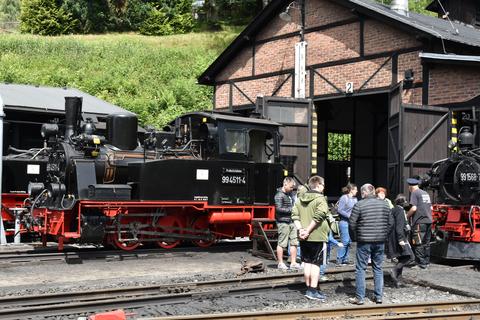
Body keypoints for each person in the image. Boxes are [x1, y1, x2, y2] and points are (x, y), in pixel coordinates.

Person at [292, 176, 338, 300]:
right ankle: (313, 290)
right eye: (323, 185)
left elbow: (294, 216)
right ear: (318, 185)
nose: (324, 188)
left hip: (303, 237)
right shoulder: (321, 199)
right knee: (316, 264)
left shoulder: (300, 198)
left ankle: (308, 288)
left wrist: (301, 230)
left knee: (306, 262)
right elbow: (319, 216)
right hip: (317, 237)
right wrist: (307, 230)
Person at [348, 184, 391, 305]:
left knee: (361, 268)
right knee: (378, 267)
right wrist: (384, 235)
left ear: (363, 193)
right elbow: (391, 223)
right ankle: (378, 296)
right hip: (380, 241)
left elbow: (352, 224)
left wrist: (355, 237)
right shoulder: (385, 204)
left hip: (364, 241)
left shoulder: (359, 204)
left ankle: (360, 298)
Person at [386, 194, 415, 287]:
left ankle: (398, 280)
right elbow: (399, 226)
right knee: (410, 257)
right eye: (405, 201)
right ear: (403, 202)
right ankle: (394, 270)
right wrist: (401, 239)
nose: (406, 203)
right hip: (399, 237)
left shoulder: (394, 209)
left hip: (393, 237)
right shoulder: (400, 210)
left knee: (402, 257)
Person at [274, 177, 301, 270]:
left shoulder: (290, 194)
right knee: (282, 243)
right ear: (285, 185)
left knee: (294, 242)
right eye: (291, 187)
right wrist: (292, 210)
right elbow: (279, 209)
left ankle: (293, 263)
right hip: (283, 222)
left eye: (293, 187)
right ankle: (280, 263)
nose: (292, 189)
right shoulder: (279, 195)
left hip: (291, 221)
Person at [406, 177, 432, 269]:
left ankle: (420, 264)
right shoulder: (425, 193)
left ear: (410, 187)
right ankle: (426, 262)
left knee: (417, 242)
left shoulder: (414, 193)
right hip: (429, 221)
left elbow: (414, 208)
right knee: (426, 243)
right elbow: (430, 208)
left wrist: (406, 216)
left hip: (419, 222)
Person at [336, 183, 357, 266]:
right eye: (356, 189)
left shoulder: (355, 199)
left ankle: (345, 258)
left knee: (349, 241)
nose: (357, 191)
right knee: (345, 241)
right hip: (344, 222)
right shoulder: (344, 198)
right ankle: (339, 259)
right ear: (351, 190)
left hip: (352, 223)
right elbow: (340, 210)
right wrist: (349, 216)